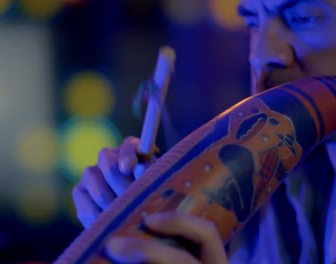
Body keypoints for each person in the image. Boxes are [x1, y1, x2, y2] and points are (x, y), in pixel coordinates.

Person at [72, 0, 336, 263]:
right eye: (252, 22)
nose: (260, 54)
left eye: (303, 19)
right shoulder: (273, 183)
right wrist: (144, 214)